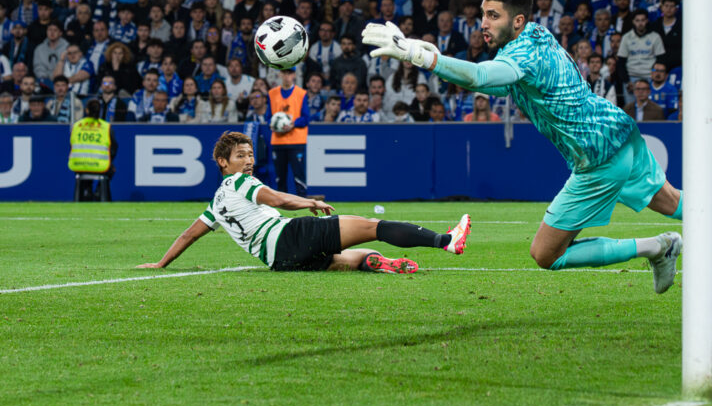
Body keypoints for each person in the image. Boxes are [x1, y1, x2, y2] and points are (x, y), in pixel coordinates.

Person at [363, 0, 712, 308]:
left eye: (492, 15)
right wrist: (429, 51)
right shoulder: (536, 37)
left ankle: (658, 246)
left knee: (546, 254)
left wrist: (420, 57)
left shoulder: (522, 55)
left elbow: (480, 77)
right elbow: (489, 77)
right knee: (673, 201)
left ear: (518, 20)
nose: (483, 23)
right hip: (618, 130)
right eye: (483, 14)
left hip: (597, 156)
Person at [137, 131, 471, 273]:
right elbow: (278, 199)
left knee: (348, 257)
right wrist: (309, 201)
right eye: (240, 156)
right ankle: (446, 241)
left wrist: (160, 264)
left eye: (250, 154)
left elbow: (189, 235)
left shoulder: (216, 204)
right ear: (223, 163)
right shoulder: (240, 181)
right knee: (373, 226)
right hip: (290, 236)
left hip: (280, 261)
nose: (248, 161)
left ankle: (377, 262)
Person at [269, 68, 309, 197]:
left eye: (290, 73)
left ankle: (302, 202)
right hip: (278, 141)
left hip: (296, 140)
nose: (287, 76)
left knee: (299, 176)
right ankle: (282, 204)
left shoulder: (301, 93)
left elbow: (306, 118)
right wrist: (272, 125)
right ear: (280, 74)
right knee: (280, 177)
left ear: (294, 75)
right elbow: (269, 116)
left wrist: (293, 124)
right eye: (284, 73)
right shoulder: (272, 93)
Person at [68, 98, 117, 201]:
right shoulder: (106, 127)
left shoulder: (76, 126)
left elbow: (71, 145)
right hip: (100, 166)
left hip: (78, 165)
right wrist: (109, 159)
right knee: (111, 169)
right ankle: (99, 192)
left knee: (85, 170)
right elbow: (113, 148)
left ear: (87, 110)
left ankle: (86, 192)